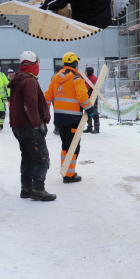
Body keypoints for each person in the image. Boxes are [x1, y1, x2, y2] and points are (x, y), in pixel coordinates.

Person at [8, 51, 56, 201]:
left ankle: (26, 188)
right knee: (42, 158)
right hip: (29, 126)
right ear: (33, 64)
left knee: (28, 156)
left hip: (19, 126)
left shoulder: (19, 79)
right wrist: (37, 123)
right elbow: (30, 104)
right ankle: (38, 190)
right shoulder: (29, 81)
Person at [45, 52, 95, 184]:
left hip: (60, 120)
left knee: (65, 145)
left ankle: (65, 170)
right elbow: (83, 98)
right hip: (73, 120)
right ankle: (69, 175)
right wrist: (90, 110)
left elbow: (47, 97)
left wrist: (44, 113)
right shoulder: (76, 79)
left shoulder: (56, 78)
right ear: (75, 64)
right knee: (73, 147)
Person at [83, 66, 100, 134]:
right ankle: (89, 127)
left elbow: (96, 89)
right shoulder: (87, 79)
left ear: (89, 71)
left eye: (85, 71)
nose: (84, 72)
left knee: (94, 113)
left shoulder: (94, 79)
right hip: (87, 98)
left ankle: (96, 128)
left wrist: (90, 94)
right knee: (88, 112)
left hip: (93, 98)